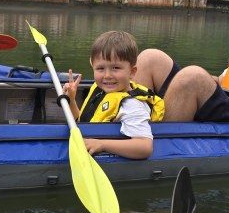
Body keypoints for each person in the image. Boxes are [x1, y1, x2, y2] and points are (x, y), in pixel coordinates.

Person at [62, 31, 164, 160]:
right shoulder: (101, 90)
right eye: (100, 68)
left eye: (115, 68)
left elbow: (144, 147)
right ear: (93, 66)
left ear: (132, 72)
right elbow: (81, 121)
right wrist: (71, 99)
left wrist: (102, 144)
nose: (107, 75)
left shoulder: (132, 106)